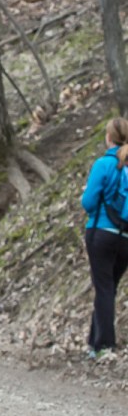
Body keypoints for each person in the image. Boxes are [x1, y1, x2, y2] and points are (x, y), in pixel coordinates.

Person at [81, 117, 128, 359]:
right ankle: (94, 342)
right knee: (109, 288)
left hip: (101, 233)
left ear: (109, 138)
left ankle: (104, 346)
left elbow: (88, 202)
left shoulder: (103, 164)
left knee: (104, 289)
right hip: (125, 237)